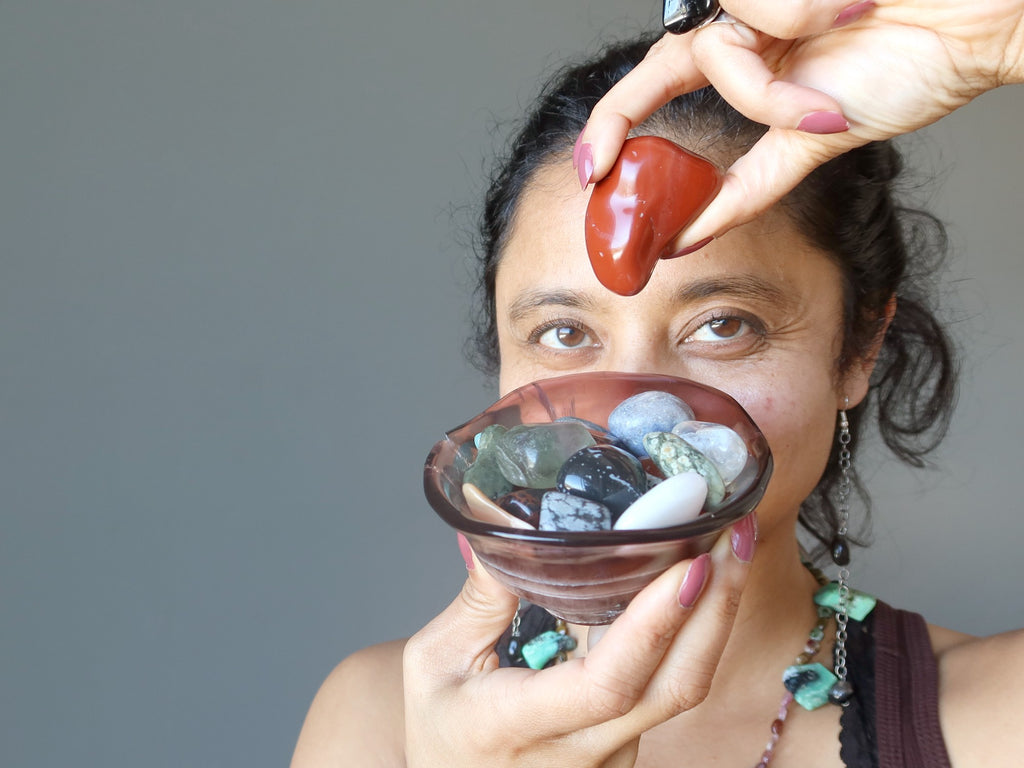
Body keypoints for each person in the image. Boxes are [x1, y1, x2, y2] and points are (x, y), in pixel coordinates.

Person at [291, 5, 1024, 766]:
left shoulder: (1005, 719)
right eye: (565, 335)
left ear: (858, 350)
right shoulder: (378, 723)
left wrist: (992, 32)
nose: (636, 413)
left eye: (723, 324)